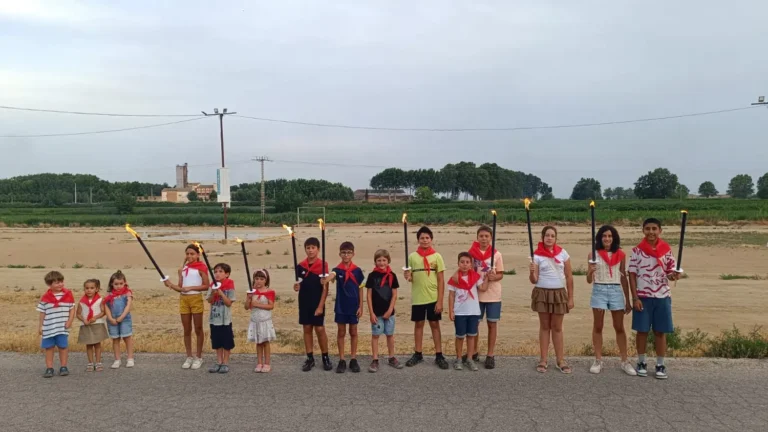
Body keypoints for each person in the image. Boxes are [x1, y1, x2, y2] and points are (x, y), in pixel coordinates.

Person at [629, 218, 679, 380]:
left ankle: (660, 364)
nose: (651, 232)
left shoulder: (666, 250)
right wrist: (634, 297)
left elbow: (671, 273)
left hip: (662, 296)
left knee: (660, 331)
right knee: (642, 331)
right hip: (643, 296)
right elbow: (632, 274)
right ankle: (642, 362)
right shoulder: (637, 251)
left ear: (660, 231)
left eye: (654, 229)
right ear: (643, 230)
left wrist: (674, 275)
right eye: (648, 229)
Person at [587, 225, 636, 376]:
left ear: (614, 238)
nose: (607, 239)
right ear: (599, 238)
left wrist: (628, 300)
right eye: (604, 236)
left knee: (619, 326)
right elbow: (589, 280)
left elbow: (623, 277)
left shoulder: (620, 254)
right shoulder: (593, 255)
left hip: (615, 290)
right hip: (599, 289)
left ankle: (624, 360)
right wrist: (590, 271)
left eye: (609, 236)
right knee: (598, 325)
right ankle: (598, 360)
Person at [529, 226, 574, 374]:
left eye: (552, 236)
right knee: (544, 326)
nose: (549, 238)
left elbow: (569, 276)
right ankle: (543, 359)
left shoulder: (563, 254)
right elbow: (534, 280)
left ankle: (560, 360)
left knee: (557, 327)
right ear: (542, 237)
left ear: (556, 238)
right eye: (547, 235)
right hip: (542, 292)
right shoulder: (536, 256)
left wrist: (571, 297)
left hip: (559, 293)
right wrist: (531, 272)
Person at [403, 226, 448, 369]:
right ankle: (418, 353)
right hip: (418, 297)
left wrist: (440, 300)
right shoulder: (412, 257)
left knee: (434, 324)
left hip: (433, 297)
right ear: (418, 240)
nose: (425, 240)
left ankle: (439, 354)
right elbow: (410, 277)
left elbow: (441, 279)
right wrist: (407, 276)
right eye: (422, 238)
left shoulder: (437, 257)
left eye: (427, 238)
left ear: (431, 239)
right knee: (419, 324)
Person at [164, 244, 209, 370]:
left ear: (198, 255)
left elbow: (206, 285)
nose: (189, 256)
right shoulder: (183, 269)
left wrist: (192, 287)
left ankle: (198, 356)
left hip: (195, 298)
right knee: (186, 329)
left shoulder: (202, 267)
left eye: (192, 254)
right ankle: (189, 356)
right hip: (184, 299)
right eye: (187, 254)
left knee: (198, 328)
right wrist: (170, 285)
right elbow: (181, 287)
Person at [322, 241, 365, 373]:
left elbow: (361, 289)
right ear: (340, 254)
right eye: (344, 252)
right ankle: (342, 359)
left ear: (353, 254)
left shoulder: (357, 271)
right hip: (341, 306)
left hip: (353, 306)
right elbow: (332, 276)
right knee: (341, 332)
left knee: (353, 332)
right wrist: (326, 279)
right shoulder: (337, 270)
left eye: (349, 252)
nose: (346, 255)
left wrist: (361, 306)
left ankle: (353, 358)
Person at [467, 225, 504, 369]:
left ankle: (490, 354)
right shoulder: (471, 254)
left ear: (491, 238)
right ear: (477, 237)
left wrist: (494, 276)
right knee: (474, 324)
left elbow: (501, 273)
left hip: (493, 294)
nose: (484, 239)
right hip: (476, 293)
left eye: (486, 236)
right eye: (481, 236)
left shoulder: (497, 255)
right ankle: (473, 351)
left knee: (491, 324)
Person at [294, 237, 332, 372]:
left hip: (317, 301)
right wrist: (296, 287)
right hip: (304, 301)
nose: (310, 250)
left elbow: (325, 288)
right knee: (307, 328)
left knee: (320, 329)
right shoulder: (300, 266)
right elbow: (298, 284)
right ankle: (310, 358)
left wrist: (321, 305)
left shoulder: (323, 265)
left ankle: (325, 357)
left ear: (318, 249)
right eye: (308, 248)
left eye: (313, 248)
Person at [448, 252, 488, 372]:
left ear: (471, 264)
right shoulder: (454, 279)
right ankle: (459, 358)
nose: (464, 265)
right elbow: (451, 296)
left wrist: (486, 278)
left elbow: (483, 288)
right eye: (462, 262)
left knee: (471, 336)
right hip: (460, 312)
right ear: (458, 263)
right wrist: (451, 311)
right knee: (460, 336)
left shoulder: (475, 276)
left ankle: (470, 358)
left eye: (467, 262)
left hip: (473, 312)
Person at [364, 249, 403, 372]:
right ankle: (375, 359)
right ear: (375, 262)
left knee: (390, 335)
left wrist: (390, 309)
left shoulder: (392, 276)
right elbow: (368, 295)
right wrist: (371, 313)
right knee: (375, 335)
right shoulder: (372, 276)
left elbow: (394, 294)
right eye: (379, 260)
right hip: (376, 312)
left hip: (389, 313)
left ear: (388, 261)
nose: (381, 263)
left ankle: (391, 357)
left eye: (384, 260)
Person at [37, 271, 75, 378]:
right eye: (57, 282)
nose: (60, 284)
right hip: (49, 327)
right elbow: (42, 312)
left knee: (63, 347)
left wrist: (70, 321)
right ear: (50, 284)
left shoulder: (68, 294)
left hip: (62, 327)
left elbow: (72, 309)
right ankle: (49, 368)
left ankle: (63, 366)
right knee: (49, 348)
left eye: (61, 282)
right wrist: (41, 326)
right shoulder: (45, 297)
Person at [205, 263, 236, 374]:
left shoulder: (230, 283)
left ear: (227, 274)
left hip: (225, 319)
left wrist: (221, 293)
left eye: (221, 271)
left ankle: (225, 362)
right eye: (216, 271)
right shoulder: (212, 284)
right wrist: (213, 293)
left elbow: (229, 303)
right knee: (217, 341)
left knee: (226, 342)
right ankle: (219, 361)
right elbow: (209, 300)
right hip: (215, 318)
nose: (217, 274)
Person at [246, 269, 276, 373]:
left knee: (265, 342)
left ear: (266, 280)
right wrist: (248, 299)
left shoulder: (269, 292)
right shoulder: (251, 292)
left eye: (261, 279)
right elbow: (247, 307)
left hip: (265, 320)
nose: (259, 281)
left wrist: (257, 304)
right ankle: (259, 362)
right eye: (257, 278)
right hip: (255, 320)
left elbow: (271, 306)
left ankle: (267, 363)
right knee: (258, 342)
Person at [76, 278, 108, 372]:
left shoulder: (100, 300)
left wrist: (96, 317)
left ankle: (98, 362)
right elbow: (78, 314)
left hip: (97, 324)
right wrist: (83, 319)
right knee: (89, 345)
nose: (89, 290)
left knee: (97, 344)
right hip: (86, 325)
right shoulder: (82, 302)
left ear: (97, 289)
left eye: (92, 288)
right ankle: (90, 362)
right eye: (87, 288)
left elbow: (103, 312)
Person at [104, 270, 134, 369]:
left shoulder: (127, 293)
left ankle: (130, 358)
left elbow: (128, 306)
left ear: (125, 283)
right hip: (112, 319)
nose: (119, 286)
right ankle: (117, 359)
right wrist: (110, 317)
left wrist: (121, 317)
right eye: (116, 284)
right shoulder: (109, 294)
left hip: (124, 318)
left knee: (127, 338)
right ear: (112, 284)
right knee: (115, 339)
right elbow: (106, 306)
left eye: (121, 283)